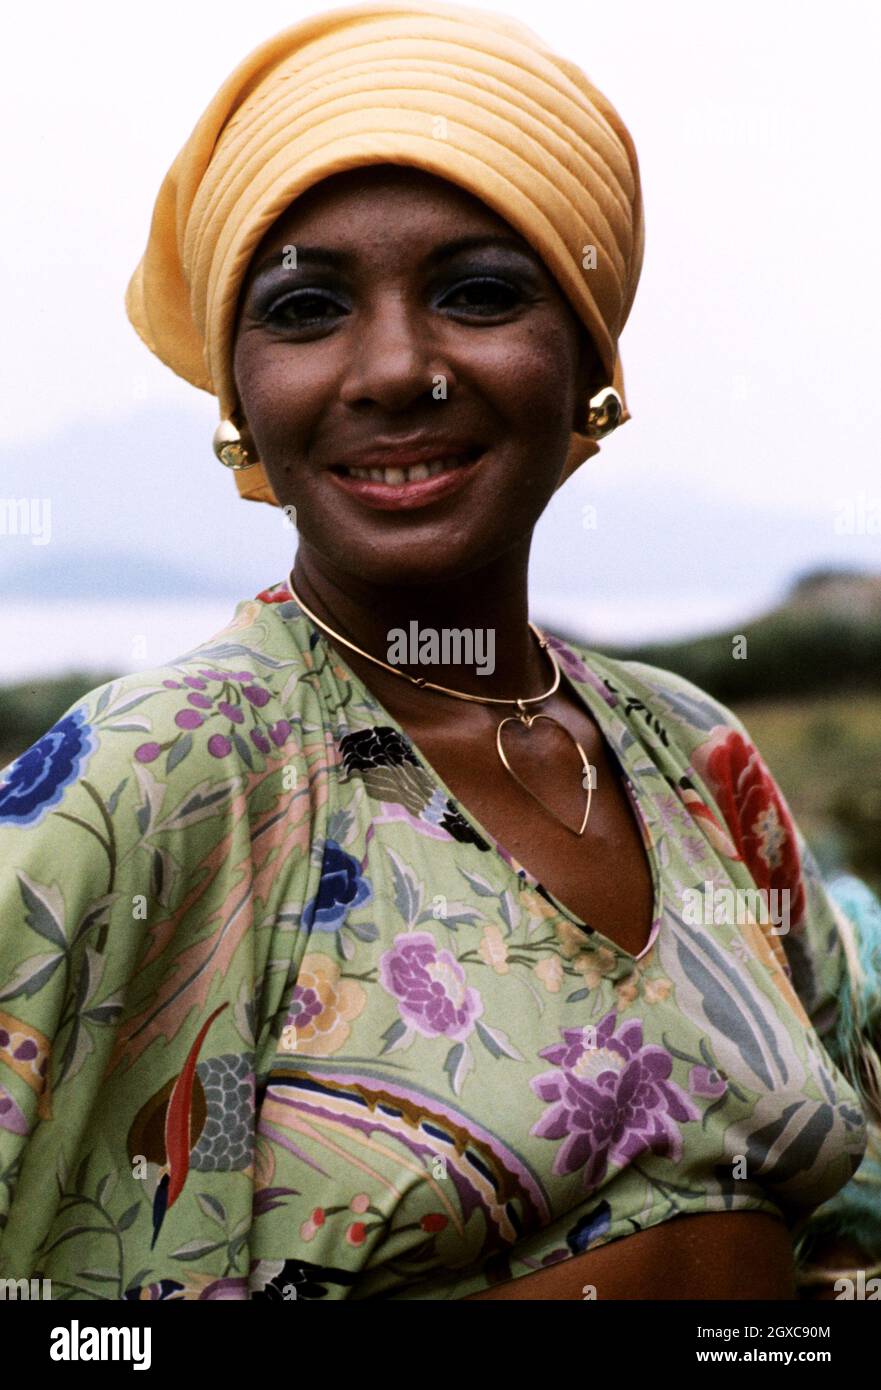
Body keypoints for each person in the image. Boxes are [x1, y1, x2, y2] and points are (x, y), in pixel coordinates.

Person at [1, 1, 879, 1302]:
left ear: (588, 353)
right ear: (239, 396)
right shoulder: (154, 784)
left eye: (477, 292)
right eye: (305, 306)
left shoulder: (694, 757)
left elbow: (846, 1192)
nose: (397, 367)